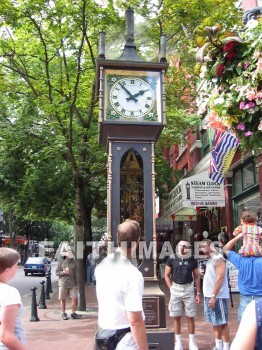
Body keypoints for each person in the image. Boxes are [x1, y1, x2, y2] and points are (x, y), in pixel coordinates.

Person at [95, 220, 149, 350]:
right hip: (125, 340)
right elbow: (135, 321)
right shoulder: (133, 275)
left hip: (103, 334)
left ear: (118, 239)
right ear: (137, 241)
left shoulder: (102, 266)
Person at [164, 240, 200, 350]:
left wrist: (198, 293)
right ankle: (178, 342)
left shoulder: (192, 259)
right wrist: (171, 289)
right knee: (176, 316)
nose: (182, 248)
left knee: (190, 316)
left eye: (185, 246)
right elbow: (166, 275)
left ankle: (192, 342)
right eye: (180, 246)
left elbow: (197, 276)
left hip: (188, 288)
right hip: (176, 287)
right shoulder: (172, 258)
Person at [223, 232, 262, 320]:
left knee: (245, 327)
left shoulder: (240, 260)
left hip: (246, 297)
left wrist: (238, 236)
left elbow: (225, 248)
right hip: (260, 297)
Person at [200, 239, 230, 350]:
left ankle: (226, 347)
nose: (201, 249)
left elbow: (220, 278)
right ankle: (218, 346)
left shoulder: (218, 258)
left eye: (203, 246)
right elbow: (213, 277)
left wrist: (214, 296)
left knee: (222, 322)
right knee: (215, 322)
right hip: (209, 295)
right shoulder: (210, 259)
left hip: (217, 296)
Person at [0, 247, 26, 349]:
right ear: (6, 270)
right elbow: (6, 336)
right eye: (16, 266)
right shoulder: (9, 293)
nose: (17, 268)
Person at [55, 248, 81, 320]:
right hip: (63, 283)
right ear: (66, 254)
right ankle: (63, 313)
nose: (70, 254)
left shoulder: (74, 263)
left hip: (72, 283)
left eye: (71, 252)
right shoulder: (61, 262)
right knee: (63, 299)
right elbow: (56, 272)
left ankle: (73, 313)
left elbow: (76, 274)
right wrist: (63, 272)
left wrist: (77, 284)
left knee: (74, 298)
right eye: (68, 252)